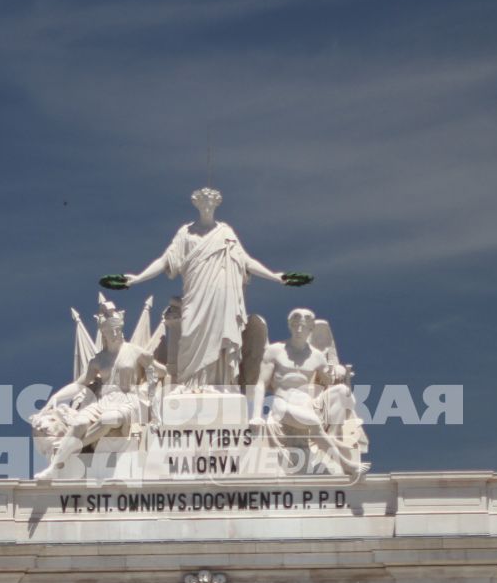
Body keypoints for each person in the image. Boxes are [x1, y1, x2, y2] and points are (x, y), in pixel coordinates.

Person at [103, 187, 309, 388]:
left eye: (210, 202)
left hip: (221, 293)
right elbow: (165, 260)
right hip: (195, 293)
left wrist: (275, 276)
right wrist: (137, 278)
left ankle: (219, 384)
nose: (207, 206)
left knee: (220, 335)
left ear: (216, 204)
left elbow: (246, 261)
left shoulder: (225, 232)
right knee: (190, 333)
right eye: (202, 202)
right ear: (196, 204)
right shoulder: (185, 233)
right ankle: (190, 383)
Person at [32, 298, 167, 479]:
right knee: (79, 423)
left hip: (128, 401)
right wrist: (54, 398)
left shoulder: (135, 351)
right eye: (110, 330)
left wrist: (150, 376)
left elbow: (161, 371)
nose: (115, 333)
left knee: (109, 419)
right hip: (104, 400)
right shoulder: (98, 360)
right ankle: (55, 467)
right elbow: (79, 384)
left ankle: (70, 449)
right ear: (103, 333)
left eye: (117, 329)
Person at [251, 308, 365, 473]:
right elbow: (261, 383)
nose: (299, 330)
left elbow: (329, 380)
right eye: (295, 325)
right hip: (283, 404)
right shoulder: (275, 350)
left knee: (343, 392)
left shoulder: (317, 356)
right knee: (312, 421)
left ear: (311, 329)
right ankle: (346, 464)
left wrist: (337, 370)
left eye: (303, 326)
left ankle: (330, 436)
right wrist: (256, 416)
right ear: (290, 326)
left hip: (307, 403)